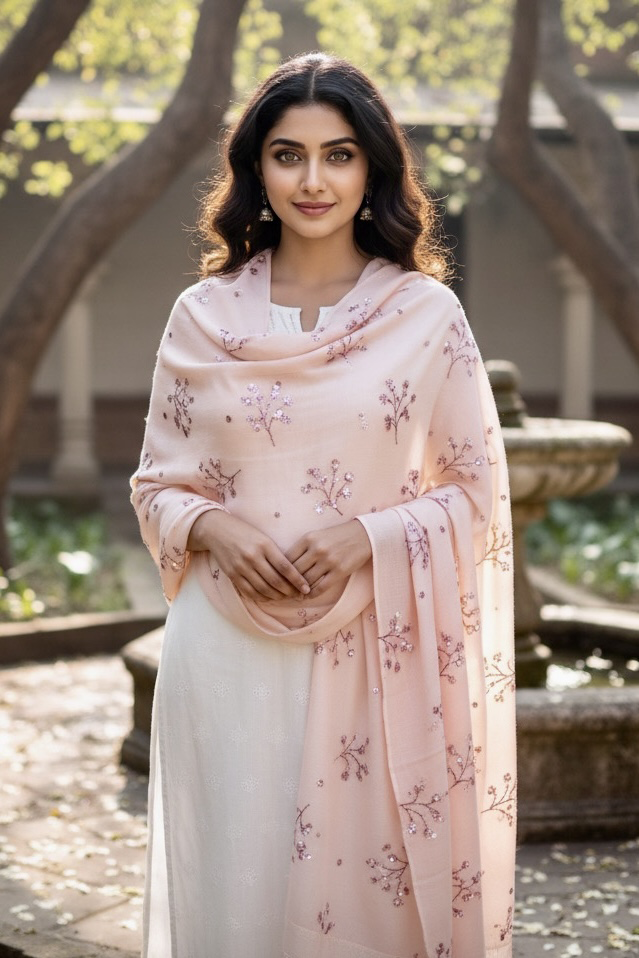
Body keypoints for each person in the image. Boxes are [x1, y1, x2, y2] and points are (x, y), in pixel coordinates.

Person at [131, 51, 516, 958]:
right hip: (224, 657)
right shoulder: (202, 315)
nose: (313, 180)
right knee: (237, 896)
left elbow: (474, 492)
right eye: (287, 154)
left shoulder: (424, 316)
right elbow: (156, 482)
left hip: (374, 650)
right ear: (255, 170)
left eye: (338, 155)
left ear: (373, 168)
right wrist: (214, 527)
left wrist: (364, 538)